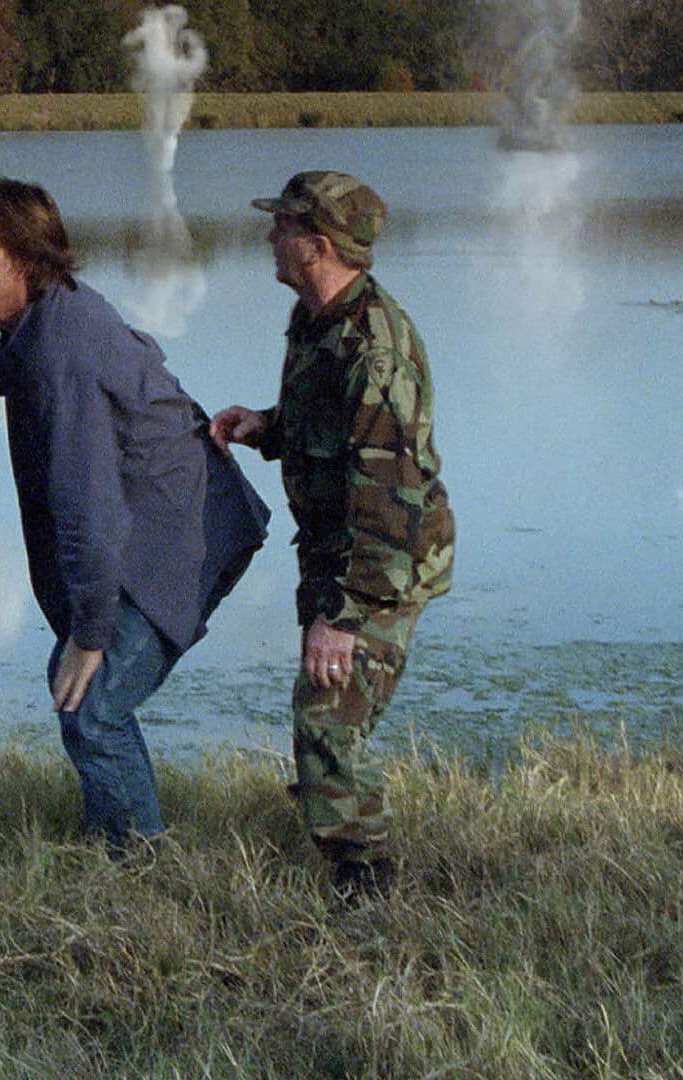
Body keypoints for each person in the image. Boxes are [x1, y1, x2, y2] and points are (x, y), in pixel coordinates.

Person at [0, 178, 269, 852]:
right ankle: (118, 836)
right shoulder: (47, 319)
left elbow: (88, 508)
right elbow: (14, 366)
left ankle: (139, 862)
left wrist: (91, 630)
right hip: (162, 528)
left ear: (23, 259)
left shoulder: (67, 348)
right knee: (86, 694)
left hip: (181, 539)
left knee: (91, 703)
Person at [210, 171, 455, 902]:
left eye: (282, 227)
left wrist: (343, 618)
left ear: (316, 246)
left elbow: (387, 492)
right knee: (325, 712)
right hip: (339, 551)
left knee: (327, 720)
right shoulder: (319, 317)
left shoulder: (374, 350)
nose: (269, 237)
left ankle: (366, 884)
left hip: (384, 562)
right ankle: (340, 834)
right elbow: (330, 427)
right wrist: (266, 427)